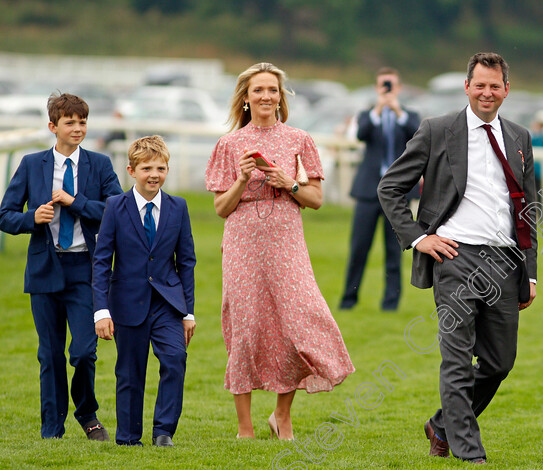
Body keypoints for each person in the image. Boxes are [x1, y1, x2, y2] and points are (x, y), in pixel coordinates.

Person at [378, 52, 538, 464]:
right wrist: (419, 239)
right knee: (456, 358)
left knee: (500, 363)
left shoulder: (519, 136)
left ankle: (442, 425)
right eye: (479, 85)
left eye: (495, 85)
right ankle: (469, 453)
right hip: (455, 258)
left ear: (507, 89)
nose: (487, 92)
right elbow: (390, 188)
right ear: (467, 87)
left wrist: (530, 273)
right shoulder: (437, 130)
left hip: (505, 262)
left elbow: (529, 207)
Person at [205, 62, 354, 440]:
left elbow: (316, 199)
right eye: (258, 90)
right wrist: (241, 179)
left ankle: (281, 415)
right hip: (242, 240)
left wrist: (289, 183)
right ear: (245, 97)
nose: (266, 96)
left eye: (273, 90)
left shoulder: (298, 139)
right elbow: (222, 209)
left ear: (281, 97)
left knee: (295, 321)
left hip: (287, 238)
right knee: (246, 325)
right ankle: (244, 427)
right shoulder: (229, 144)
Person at [0, 93, 122, 440]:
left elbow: (116, 211)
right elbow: (5, 215)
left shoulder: (99, 165)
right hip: (44, 270)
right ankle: (52, 427)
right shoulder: (30, 164)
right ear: (53, 126)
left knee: (84, 351)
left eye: (82, 121)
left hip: (86, 270)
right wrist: (31, 218)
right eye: (70, 122)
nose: (78, 128)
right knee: (50, 354)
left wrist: (76, 202)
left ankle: (87, 414)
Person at [91, 136, 196, 447]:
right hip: (126, 302)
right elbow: (101, 261)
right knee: (129, 371)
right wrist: (101, 310)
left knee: (175, 358)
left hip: (168, 303)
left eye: (161, 168)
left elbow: (186, 262)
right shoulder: (115, 206)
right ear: (131, 170)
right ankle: (128, 437)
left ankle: (163, 432)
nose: (154, 174)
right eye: (147, 167)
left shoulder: (178, 207)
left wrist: (188, 311)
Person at [339, 67, 421, 312]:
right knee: (358, 249)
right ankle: (348, 300)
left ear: (399, 88)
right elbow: (361, 134)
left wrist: (396, 109)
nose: (387, 90)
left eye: (391, 85)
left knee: (394, 251)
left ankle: (390, 303)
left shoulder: (408, 115)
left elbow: (416, 136)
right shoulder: (367, 115)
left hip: (398, 194)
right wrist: (379, 107)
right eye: (383, 85)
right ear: (376, 88)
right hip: (368, 191)